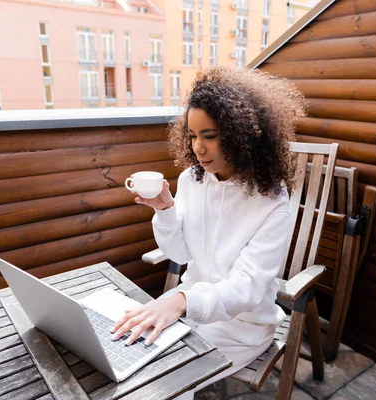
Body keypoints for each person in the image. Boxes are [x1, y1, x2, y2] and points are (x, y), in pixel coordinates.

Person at [111, 66, 306, 397]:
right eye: (192, 136)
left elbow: (246, 288)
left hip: (242, 327)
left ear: (242, 134)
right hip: (189, 309)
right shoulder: (192, 179)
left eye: (210, 136)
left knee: (167, 380)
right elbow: (180, 254)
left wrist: (181, 301)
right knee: (127, 352)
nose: (198, 148)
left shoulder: (271, 200)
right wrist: (165, 209)